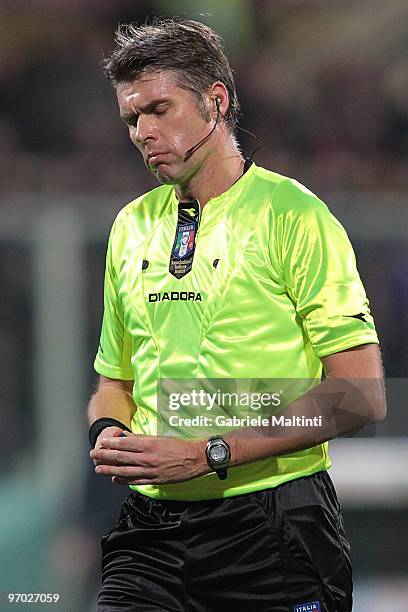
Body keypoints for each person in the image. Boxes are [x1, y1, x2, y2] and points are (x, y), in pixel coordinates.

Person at [87, 18, 386, 612]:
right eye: (131, 119)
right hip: (153, 532)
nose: (143, 132)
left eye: (158, 109)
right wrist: (108, 434)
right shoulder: (131, 226)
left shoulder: (294, 215)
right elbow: (113, 382)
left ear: (215, 101)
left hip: (274, 529)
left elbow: (359, 396)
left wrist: (208, 453)